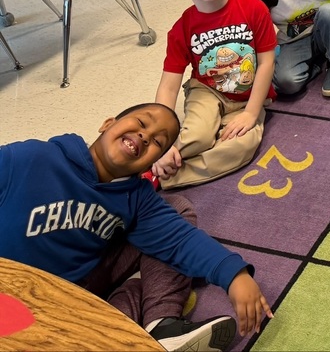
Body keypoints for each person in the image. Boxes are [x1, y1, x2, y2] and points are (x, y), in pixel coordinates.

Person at [0, 103, 273, 351]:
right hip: (15, 291)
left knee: (175, 210)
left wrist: (233, 274)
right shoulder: (30, 158)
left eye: (157, 141)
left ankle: (162, 326)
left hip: (72, 295)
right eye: (142, 123)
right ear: (107, 124)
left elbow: (179, 240)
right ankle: (124, 334)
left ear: (152, 163)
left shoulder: (137, 198)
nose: (145, 136)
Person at [151, 0, 276, 189]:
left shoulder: (254, 8)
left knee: (240, 146)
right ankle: (152, 157)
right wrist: (160, 142)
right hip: (206, 90)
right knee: (197, 137)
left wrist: (251, 113)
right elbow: (168, 87)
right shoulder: (181, 28)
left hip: (247, 98)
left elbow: (266, 63)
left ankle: (159, 177)